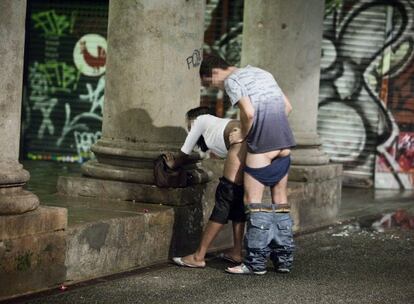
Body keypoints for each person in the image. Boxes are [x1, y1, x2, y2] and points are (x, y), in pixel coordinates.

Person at [199, 54, 296, 275]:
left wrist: (243, 133)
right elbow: (287, 107)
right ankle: (284, 261)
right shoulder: (262, 72)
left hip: (262, 146)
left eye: (209, 83)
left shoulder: (233, 81)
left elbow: (249, 113)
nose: (214, 88)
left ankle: (255, 263)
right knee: (280, 201)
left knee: (253, 202)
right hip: (284, 142)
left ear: (214, 72)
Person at [168, 106, 247, 268]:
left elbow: (184, 152)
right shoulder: (216, 124)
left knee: (225, 197)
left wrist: (172, 163)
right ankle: (237, 252)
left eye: (188, 124)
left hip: (241, 146)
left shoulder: (200, 121)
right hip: (250, 146)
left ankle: (198, 256)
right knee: (237, 200)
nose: (189, 128)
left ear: (192, 119)